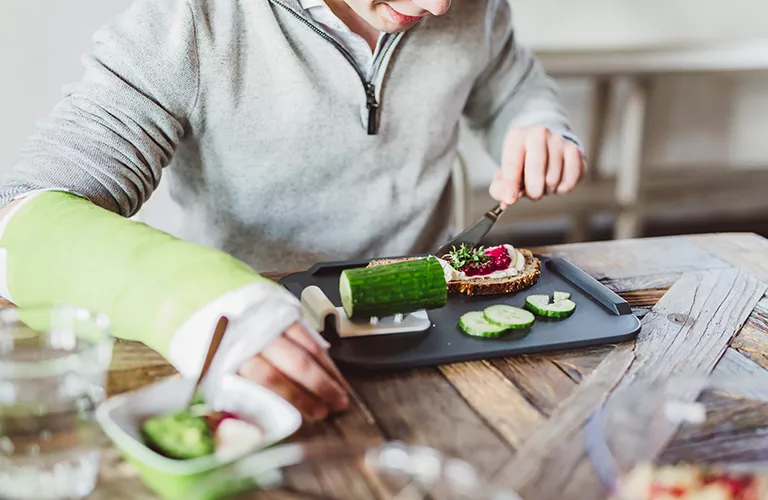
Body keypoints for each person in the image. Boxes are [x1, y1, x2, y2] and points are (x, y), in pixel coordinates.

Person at [0, 0, 585, 420]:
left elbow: (512, 88)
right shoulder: (186, 24)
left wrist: (536, 124)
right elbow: (20, 216)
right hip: (253, 351)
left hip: (438, 339)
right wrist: (192, 297)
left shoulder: (474, 9)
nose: (437, 5)